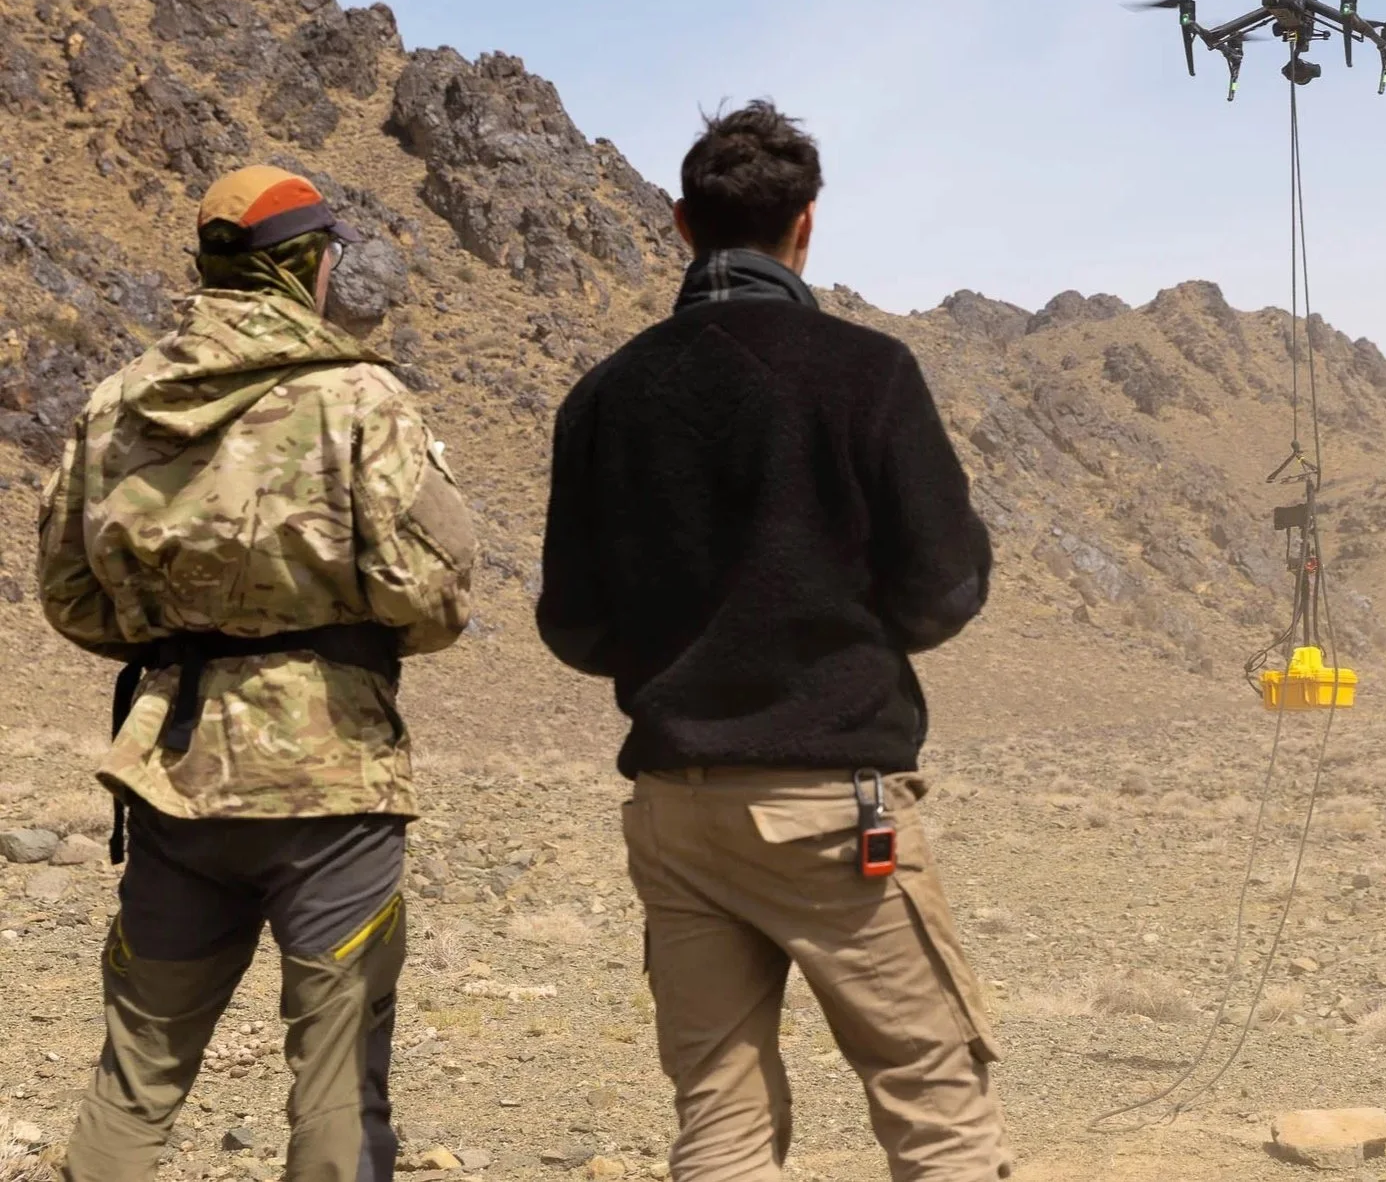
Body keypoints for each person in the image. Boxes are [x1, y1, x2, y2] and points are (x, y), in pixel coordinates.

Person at [537, 101, 1008, 1182]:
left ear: (677, 224)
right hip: (831, 810)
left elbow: (572, 622)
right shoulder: (866, 373)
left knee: (720, 1118)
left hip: (676, 811)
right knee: (935, 1101)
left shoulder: (603, 397)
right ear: (805, 224)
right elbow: (944, 586)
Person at [37, 166, 476, 1182]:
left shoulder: (114, 406)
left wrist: (179, 637)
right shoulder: (358, 397)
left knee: (136, 1072)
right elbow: (435, 595)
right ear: (304, 266)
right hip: (333, 780)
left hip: (173, 768)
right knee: (335, 1080)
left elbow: (69, 594)